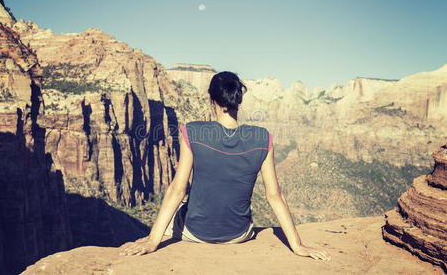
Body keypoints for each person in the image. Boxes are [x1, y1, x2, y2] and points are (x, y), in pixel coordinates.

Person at [119, 71, 330, 261]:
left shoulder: (192, 132)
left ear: (212, 100)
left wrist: (152, 242)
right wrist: (298, 246)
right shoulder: (263, 138)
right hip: (239, 234)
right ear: (239, 99)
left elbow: (177, 189)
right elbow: (275, 195)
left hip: (195, 232)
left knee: (176, 212)